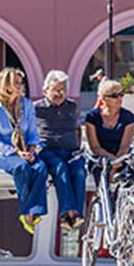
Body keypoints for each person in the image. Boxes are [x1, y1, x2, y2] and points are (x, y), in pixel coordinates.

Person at [0, 67, 48, 234]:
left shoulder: (27, 105)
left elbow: (34, 133)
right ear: (6, 86)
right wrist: (17, 153)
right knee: (22, 167)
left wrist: (32, 149)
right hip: (4, 154)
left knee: (41, 168)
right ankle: (27, 212)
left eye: (21, 83)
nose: (21, 86)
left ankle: (33, 209)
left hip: (25, 151)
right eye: (17, 83)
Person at [34, 70, 86, 231]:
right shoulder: (36, 108)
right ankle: (70, 213)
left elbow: (77, 128)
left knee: (79, 172)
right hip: (48, 150)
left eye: (62, 90)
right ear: (45, 91)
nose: (59, 93)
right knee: (60, 169)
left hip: (70, 151)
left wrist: (78, 144)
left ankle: (71, 215)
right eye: (55, 90)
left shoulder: (71, 106)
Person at [85, 79, 134, 164]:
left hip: (122, 159)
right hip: (99, 160)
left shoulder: (128, 117)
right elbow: (95, 147)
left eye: (121, 94)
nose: (119, 98)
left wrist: (117, 161)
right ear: (104, 98)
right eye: (114, 96)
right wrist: (110, 159)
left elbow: (124, 146)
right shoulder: (92, 117)